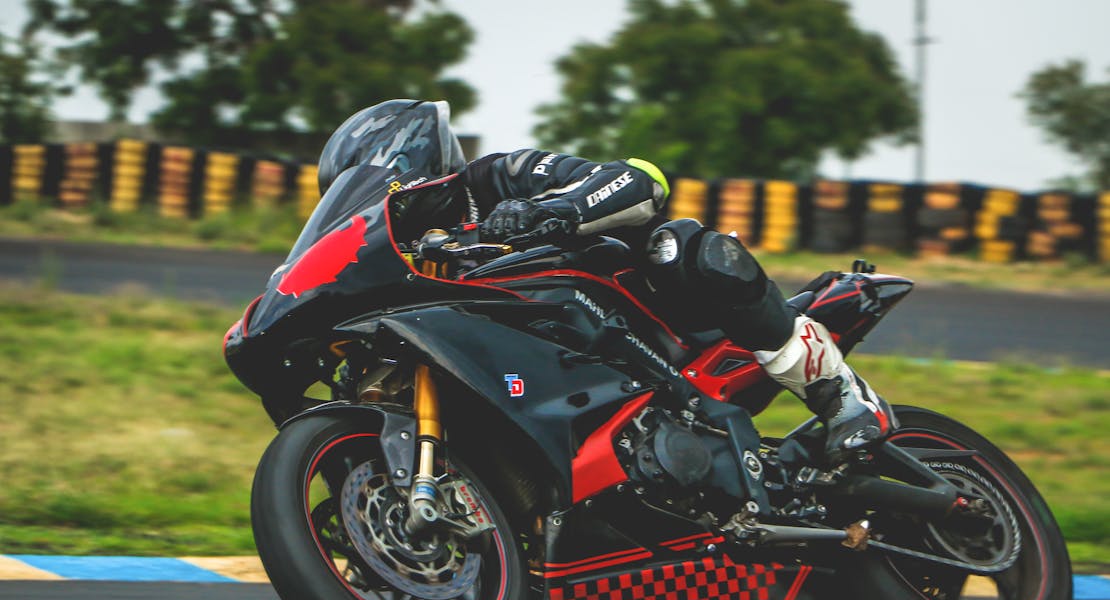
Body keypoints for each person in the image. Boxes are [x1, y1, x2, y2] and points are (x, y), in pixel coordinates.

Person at [317, 99, 895, 464]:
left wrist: (556, 210)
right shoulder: (411, 262)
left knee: (684, 244)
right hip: (541, 368)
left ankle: (846, 404)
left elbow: (637, 179)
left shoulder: (493, 177)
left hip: (641, 314)